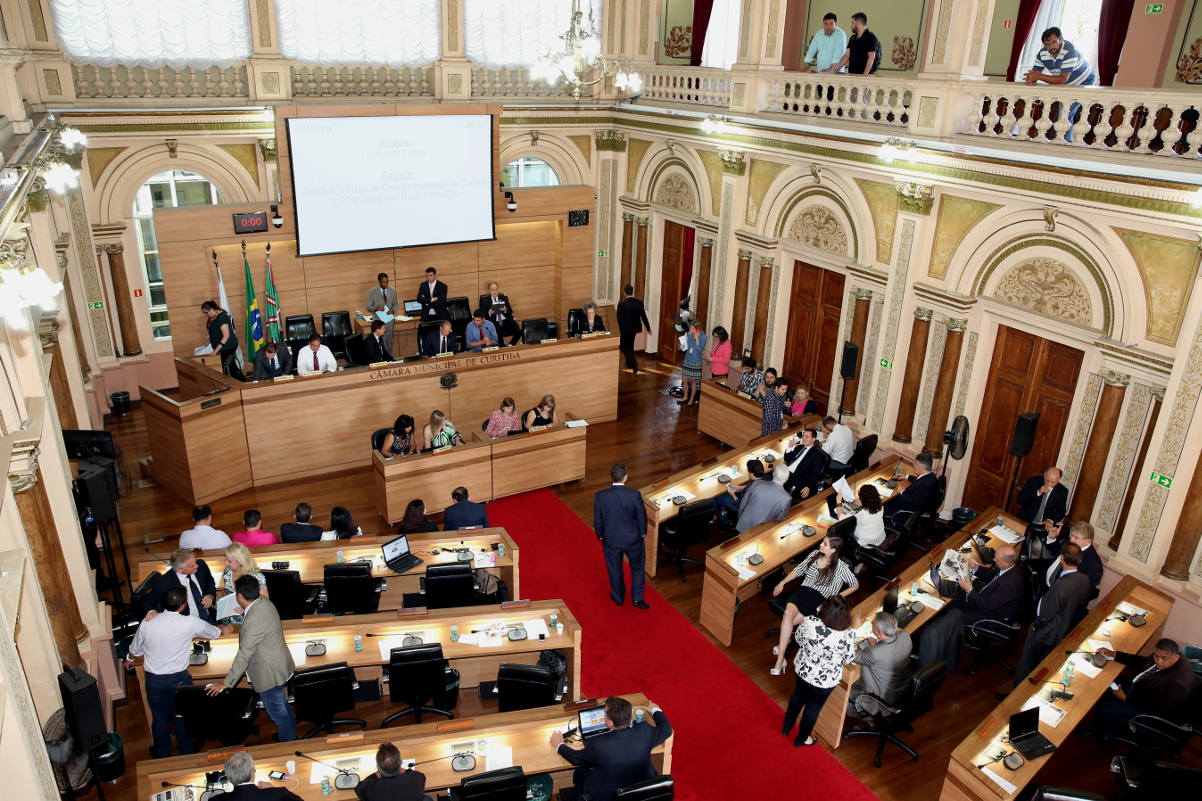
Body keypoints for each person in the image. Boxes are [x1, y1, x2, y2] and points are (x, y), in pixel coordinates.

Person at [126, 585, 231, 758]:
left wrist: (129, 659)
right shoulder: (189, 622)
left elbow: (135, 649)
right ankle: (186, 749)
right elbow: (212, 632)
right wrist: (223, 631)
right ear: (182, 606)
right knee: (181, 715)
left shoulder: (148, 622)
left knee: (158, 717)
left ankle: (162, 752)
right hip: (178, 679)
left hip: (153, 679)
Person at [207, 575, 296, 742]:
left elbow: (244, 653)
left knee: (277, 713)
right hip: (279, 664)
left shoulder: (254, 619)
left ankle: (288, 742)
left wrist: (226, 682)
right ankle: (290, 734)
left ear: (239, 596)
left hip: (268, 673)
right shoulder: (263, 601)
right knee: (282, 706)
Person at [550, 696, 672, 801]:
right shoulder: (644, 731)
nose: (604, 717)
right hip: (640, 788)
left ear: (611, 724)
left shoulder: (598, 744)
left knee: (579, 773)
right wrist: (655, 709)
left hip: (608, 795)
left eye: (604, 715)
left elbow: (576, 758)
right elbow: (666, 730)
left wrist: (559, 745)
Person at [771, 534, 859, 673]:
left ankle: (782, 650)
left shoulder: (841, 567)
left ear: (833, 550)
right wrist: (782, 582)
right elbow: (798, 570)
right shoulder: (814, 555)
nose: (821, 545)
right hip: (802, 592)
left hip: (818, 599)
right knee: (787, 615)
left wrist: (837, 596)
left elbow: (855, 584)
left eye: (825, 544)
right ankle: (781, 659)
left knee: (788, 621)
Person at [781, 596, 857, 747]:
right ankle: (802, 738)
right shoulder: (847, 635)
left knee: (798, 696)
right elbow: (848, 659)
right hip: (824, 680)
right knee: (813, 708)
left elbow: (798, 638)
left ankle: (787, 726)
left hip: (803, 670)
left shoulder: (810, 622)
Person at [1010, 543, 1089, 689]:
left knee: (1028, 664)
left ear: (1062, 559)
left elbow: (1048, 614)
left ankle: (1017, 692)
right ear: (1080, 560)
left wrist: (1036, 626)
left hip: (1047, 631)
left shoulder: (1061, 585)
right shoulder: (1084, 579)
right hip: (1062, 629)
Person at [1090, 639, 1198, 738]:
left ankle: (1110, 734)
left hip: (1154, 712)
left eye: (1164, 658)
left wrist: (1124, 698)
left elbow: (1156, 708)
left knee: (1105, 707)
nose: (1159, 661)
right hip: (1143, 688)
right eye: (1156, 656)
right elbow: (1143, 661)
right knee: (1107, 684)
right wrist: (1115, 654)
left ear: (1176, 657)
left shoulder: (1175, 684)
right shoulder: (1171, 657)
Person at [594, 463, 650, 609]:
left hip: (610, 540)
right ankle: (637, 598)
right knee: (637, 567)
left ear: (612, 476)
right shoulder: (634, 495)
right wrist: (643, 531)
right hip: (633, 540)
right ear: (625, 477)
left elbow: (598, 518)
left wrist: (599, 534)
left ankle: (618, 597)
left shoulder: (601, 495)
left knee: (614, 568)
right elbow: (641, 517)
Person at [847, 612, 913, 729]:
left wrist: (853, 629)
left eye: (872, 624)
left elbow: (846, 653)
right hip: (902, 688)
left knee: (848, 681)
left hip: (881, 697)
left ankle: (867, 720)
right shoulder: (905, 635)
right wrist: (878, 644)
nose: (871, 624)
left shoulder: (873, 653)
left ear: (879, 632)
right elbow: (890, 652)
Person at [947, 545, 1024, 625]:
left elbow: (989, 605)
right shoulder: (1011, 567)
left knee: (951, 613)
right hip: (985, 599)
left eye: (996, 559)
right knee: (951, 598)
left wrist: (969, 590)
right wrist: (975, 567)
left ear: (1006, 563)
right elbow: (993, 575)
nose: (994, 559)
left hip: (988, 615)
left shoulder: (1010, 585)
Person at [1042, 521, 1103, 616]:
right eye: (1071, 535)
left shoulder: (1094, 564)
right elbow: (1057, 552)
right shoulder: (1070, 542)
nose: (1072, 540)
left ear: (1088, 541)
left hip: (1061, 606)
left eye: (1076, 538)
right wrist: (1052, 539)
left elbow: (1082, 593)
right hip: (1046, 588)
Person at [143, 548, 218, 623]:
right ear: (179, 570)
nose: (196, 566)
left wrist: (210, 594)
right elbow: (147, 603)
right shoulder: (164, 582)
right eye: (191, 566)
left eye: (195, 562)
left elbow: (210, 581)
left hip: (209, 617)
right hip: (185, 625)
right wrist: (151, 611)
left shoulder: (201, 564)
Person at [1024, 27, 1098, 87]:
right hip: (1063, 84)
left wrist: (1038, 76)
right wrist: (1031, 79)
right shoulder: (1042, 53)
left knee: (1070, 104)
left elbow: (1062, 80)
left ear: (1061, 39)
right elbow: (1035, 74)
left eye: (1054, 42)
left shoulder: (1070, 51)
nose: (1051, 46)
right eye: (1047, 44)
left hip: (1084, 80)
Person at [355, 743, 430, 801]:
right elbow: (419, 776)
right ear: (400, 762)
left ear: (378, 767)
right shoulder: (416, 778)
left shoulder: (369, 787)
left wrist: (378, 772)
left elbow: (359, 788)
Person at [220, 750, 304, 800]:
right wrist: (272, 789)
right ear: (253, 768)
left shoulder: (215, 800)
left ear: (228, 776)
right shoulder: (278, 793)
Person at [219, 542, 268, 625]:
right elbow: (225, 590)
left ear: (239, 561)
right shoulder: (228, 571)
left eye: (229, 561)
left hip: (249, 620)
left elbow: (264, 602)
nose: (226, 563)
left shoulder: (257, 577)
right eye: (226, 560)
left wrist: (246, 608)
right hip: (229, 619)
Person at [736, 464, 793, 534]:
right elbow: (779, 519)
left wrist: (741, 518)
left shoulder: (757, 483)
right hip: (763, 531)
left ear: (773, 473)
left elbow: (744, 502)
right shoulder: (786, 498)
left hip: (744, 523)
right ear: (787, 479)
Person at [882, 454, 938, 523]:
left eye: (916, 464)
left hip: (903, 511)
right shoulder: (931, 476)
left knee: (879, 506)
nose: (913, 465)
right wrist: (907, 476)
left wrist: (902, 491)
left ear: (923, 468)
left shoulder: (924, 485)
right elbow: (919, 480)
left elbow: (913, 503)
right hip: (905, 502)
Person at [714, 458, 767, 529]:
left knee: (718, 498)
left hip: (743, 507)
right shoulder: (767, 478)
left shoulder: (751, 489)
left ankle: (726, 523)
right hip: (759, 508)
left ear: (751, 474)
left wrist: (732, 494)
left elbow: (740, 504)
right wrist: (742, 487)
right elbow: (753, 485)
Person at [837, 483, 885, 554]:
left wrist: (838, 502)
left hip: (867, 544)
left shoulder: (861, 515)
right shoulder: (880, 507)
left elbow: (841, 519)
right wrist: (862, 503)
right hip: (880, 538)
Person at [616, 284, 651, 374]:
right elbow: (644, 316)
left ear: (624, 293)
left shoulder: (621, 304)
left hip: (624, 329)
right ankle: (629, 363)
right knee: (630, 345)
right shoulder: (639, 303)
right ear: (632, 292)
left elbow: (619, 319)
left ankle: (633, 361)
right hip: (634, 329)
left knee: (624, 346)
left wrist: (617, 329)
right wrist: (648, 328)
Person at [201, 299, 241, 378]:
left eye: (206, 312)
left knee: (227, 367)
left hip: (228, 346)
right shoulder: (212, 316)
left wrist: (215, 350)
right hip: (221, 347)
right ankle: (238, 380)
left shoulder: (222, 317)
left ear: (212, 309)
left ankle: (236, 382)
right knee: (230, 366)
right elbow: (213, 330)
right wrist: (209, 340)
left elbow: (226, 336)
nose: (205, 315)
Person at [782, 428, 825, 500]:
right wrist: (790, 447)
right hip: (786, 472)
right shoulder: (799, 447)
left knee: (780, 491)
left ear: (813, 439)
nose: (803, 438)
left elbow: (815, 473)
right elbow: (787, 459)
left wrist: (808, 487)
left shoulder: (817, 455)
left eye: (807, 437)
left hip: (796, 477)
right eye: (803, 436)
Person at [678, 317, 707, 407]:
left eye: (692, 328)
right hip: (687, 359)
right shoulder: (688, 335)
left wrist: (697, 339)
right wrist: (681, 347)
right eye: (690, 328)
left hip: (696, 361)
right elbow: (686, 347)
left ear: (698, 328)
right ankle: (686, 396)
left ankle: (691, 399)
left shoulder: (703, 337)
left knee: (693, 381)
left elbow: (699, 350)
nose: (690, 330)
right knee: (684, 379)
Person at [366, 272, 399, 348]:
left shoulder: (393, 291)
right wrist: (376, 308)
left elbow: (396, 304)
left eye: (387, 281)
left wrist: (393, 310)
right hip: (378, 322)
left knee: (389, 342)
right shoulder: (372, 292)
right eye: (383, 282)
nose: (385, 284)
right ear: (379, 281)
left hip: (389, 321)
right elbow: (368, 307)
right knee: (382, 344)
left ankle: (389, 359)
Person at [484, 281, 521, 346]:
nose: (495, 292)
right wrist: (489, 312)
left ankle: (511, 344)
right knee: (498, 333)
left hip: (506, 319)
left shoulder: (504, 298)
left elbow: (510, 311)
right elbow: (483, 315)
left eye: (496, 289)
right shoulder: (485, 301)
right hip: (495, 321)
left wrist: (505, 309)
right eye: (492, 290)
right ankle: (502, 346)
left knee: (518, 331)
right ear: (489, 291)